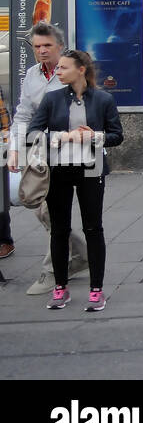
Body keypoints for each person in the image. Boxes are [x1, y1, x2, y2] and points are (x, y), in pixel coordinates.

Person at [28, 51, 123, 311]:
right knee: (59, 229)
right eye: (57, 68)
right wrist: (61, 137)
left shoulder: (103, 99)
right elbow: (33, 133)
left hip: (91, 167)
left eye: (64, 67)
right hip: (58, 168)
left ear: (81, 70)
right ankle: (60, 288)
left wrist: (95, 136)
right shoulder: (52, 99)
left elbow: (117, 135)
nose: (58, 71)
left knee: (93, 227)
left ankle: (96, 290)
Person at [6, 24, 89, 295]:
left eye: (47, 46)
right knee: (42, 209)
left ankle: (52, 271)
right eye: (37, 47)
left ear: (59, 46)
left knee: (53, 210)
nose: (42, 51)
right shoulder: (31, 75)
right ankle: (79, 254)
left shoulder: (73, 71)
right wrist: (15, 148)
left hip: (70, 151)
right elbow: (22, 113)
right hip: (40, 149)